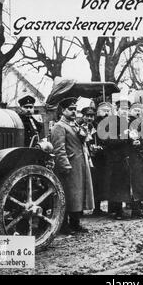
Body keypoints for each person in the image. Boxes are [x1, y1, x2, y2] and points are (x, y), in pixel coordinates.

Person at [51, 97, 94, 234]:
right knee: (67, 196)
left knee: (78, 195)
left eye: (75, 109)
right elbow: (59, 148)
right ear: (63, 111)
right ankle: (63, 226)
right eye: (71, 109)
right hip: (69, 166)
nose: (74, 112)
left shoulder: (74, 124)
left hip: (80, 165)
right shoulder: (59, 126)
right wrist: (65, 166)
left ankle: (75, 223)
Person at [98, 99, 132, 220]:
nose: (125, 111)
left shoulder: (126, 122)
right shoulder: (113, 122)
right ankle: (117, 211)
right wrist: (126, 137)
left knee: (120, 184)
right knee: (117, 184)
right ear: (117, 109)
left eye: (127, 109)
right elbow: (109, 140)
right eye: (123, 109)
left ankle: (115, 209)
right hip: (115, 157)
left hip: (123, 157)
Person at [128, 102, 143, 218]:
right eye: (135, 110)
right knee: (135, 183)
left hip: (141, 156)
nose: (137, 112)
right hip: (131, 156)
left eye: (139, 110)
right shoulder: (127, 124)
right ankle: (136, 209)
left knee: (142, 182)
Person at [83, 105, 107, 216]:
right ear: (83, 116)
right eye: (87, 116)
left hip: (96, 159)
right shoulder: (80, 127)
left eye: (91, 116)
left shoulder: (97, 127)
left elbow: (103, 140)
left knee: (97, 182)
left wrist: (100, 147)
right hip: (84, 158)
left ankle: (96, 208)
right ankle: (80, 209)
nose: (89, 118)